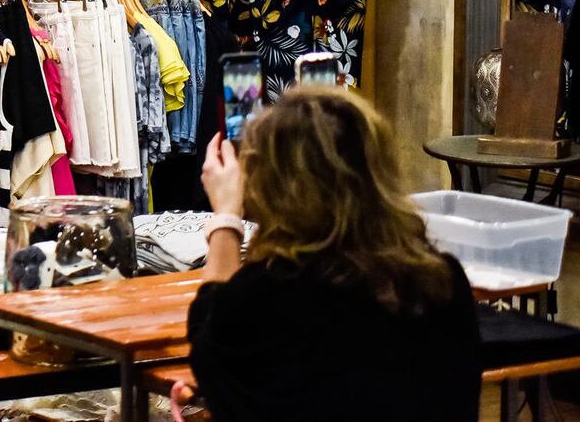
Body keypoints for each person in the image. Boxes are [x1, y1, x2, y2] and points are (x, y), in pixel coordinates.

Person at [181, 86, 480, 421]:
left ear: (274, 189)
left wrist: (226, 218)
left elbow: (209, 343)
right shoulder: (440, 280)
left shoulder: (271, 294)